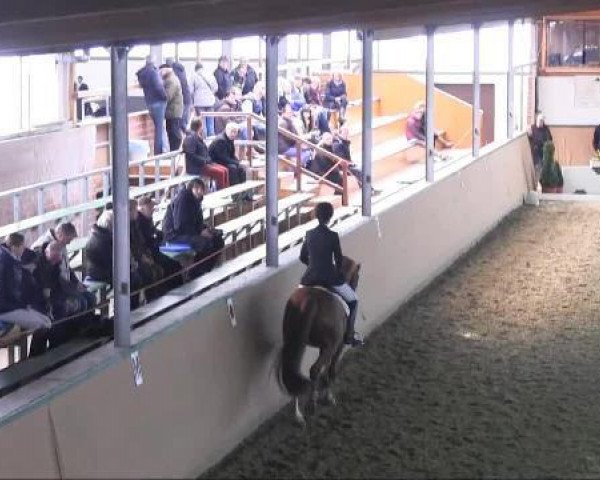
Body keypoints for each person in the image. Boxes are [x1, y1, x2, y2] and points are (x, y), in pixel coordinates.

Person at [300, 202, 363, 347]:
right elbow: (340, 261)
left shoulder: (309, 234)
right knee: (354, 301)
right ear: (330, 217)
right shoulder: (333, 236)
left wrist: (313, 266)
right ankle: (349, 335)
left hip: (309, 278)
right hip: (329, 278)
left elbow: (302, 257)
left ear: (316, 215)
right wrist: (332, 268)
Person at [29, 241, 96, 357]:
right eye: (54, 259)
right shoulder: (38, 264)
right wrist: (48, 297)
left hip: (53, 295)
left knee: (80, 301)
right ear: (47, 253)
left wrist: (75, 288)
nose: (56, 262)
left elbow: (60, 281)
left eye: (57, 260)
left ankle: (70, 338)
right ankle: (52, 347)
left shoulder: (55, 263)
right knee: (57, 311)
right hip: (37, 299)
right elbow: (39, 286)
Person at [162, 179, 224, 277]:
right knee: (205, 244)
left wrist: (206, 229)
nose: (200, 191)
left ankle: (204, 270)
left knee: (217, 240)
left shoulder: (196, 201)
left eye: (202, 189)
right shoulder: (182, 200)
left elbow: (198, 221)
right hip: (174, 236)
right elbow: (180, 226)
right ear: (192, 188)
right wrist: (199, 232)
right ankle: (195, 273)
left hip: (189, 233)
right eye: (197, 189)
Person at [31, 222, 96, 315]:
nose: (69, 243)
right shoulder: (44, 248)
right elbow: (53, 277)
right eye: (68, 240)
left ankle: (89, 324)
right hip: (54, 290)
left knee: (91, 297)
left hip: (65, 286)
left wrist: (77, 283)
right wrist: (73, 288)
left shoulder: (61, 243)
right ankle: (77, 326)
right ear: (61, 235)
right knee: (81, 302)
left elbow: (67, 267)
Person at [84, 210, 145, 308]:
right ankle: (126, 307)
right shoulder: (100, 240)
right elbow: (111, 261)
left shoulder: (105, 236)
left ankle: (132, 306)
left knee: (135, 276)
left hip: (108, 268)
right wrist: (126, 269)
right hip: (100, 272)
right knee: (128, 280)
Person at [0, 233, 51, 333]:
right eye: (23, 246)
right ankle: (34, 348)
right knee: (43, 324)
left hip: (13, 305)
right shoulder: (6, 263)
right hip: (5, 309)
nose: (24, 249)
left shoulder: (12, 259)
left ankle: (38, 348)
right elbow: (8, 293)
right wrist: (22, 306)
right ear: (15, 247)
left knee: (46, 320)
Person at [136, 196, 183, 294]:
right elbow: (145, 241)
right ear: (141, 208)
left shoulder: (147, 219)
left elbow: (154, 232)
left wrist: (161, 236)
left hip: (155, 249)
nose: (152, 210)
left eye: (152, 207)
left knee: (175, 262)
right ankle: (171, 292)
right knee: (170, 264)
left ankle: (176, 291)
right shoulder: (139, 222)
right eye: (150, 208)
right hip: (149, 253)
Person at [183, 118, 230, 189]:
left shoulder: (197, 136)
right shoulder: (191, 138)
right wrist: (204, 161)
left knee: (225, 170)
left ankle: (226, 191)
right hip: (197, 167)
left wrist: (208, 160)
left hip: (205, 163)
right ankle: (221, 193)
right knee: (221, 173)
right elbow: (190, 155)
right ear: (200, 126)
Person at [136, 56, 168, 154]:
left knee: (159, 127)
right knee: (159, 128)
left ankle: (162, 150)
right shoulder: (153, 73)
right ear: (153, 63)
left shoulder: (142, 74)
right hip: (158, 103)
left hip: (149, 103)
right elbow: (158, 87)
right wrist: (165, 96)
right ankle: (158, 152)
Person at [208, 122, 248, 187]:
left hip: (225, 160)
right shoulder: (220, 140)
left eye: (235, 132)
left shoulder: (230, 138)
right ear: (227, 130)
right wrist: (236, 163)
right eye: (232, 131)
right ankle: (235, 190)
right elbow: (223, 157)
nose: (234, 134)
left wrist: (238, 162)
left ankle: (243, 190)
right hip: (216, 161)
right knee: (233, 168)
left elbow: (232, 154)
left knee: (241, 168)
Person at [278, 104, 312, 168]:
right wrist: (300, 143)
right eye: (289, 112)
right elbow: (289, 137)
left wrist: (300, 142)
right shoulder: (283, 123)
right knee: (307, 152)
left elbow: (295, 135)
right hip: (284, 148)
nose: (291, 114)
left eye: (291, 112)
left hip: (288, 146)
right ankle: (294, 166)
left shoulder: (289, 121)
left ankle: (295, 166)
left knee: (307, 149)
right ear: (283, 113)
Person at [191, 62, 218, 138]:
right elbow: (216, 87)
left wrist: (193, 98)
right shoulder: (210, 75)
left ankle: (204, 140)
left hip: (199, 103)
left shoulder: (194, 76)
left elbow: (190, 90)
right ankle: (211, 140)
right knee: (210, 122)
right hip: (210, 102)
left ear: (195, 69)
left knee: (202, 123)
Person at [165, 58, 192, 133]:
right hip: (187, 98)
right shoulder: (181, 70)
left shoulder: (174, 73)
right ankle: (187, 139)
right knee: (185, 123)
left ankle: (183, 141)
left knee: (180, 125)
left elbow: (171, 92)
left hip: (181, 100)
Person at [161, 67, 184, 151]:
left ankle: (174, 151)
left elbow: (167, 96)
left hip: (173, 111)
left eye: (162, 70)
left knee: (173, 132)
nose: (160, 72)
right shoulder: (172, 78)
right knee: (172, 131)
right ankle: (174, 150)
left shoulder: (171, 81)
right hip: (174, 110)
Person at [528, 113, 553, 186]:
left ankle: (544, 185)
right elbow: (530, 137)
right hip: (536, 152)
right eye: (540, 120)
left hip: (544, 152)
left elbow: (550, 139)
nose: (541, 122)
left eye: (542, 121)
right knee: (538, 168)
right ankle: (536, 185)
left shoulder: (546, 128)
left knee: (545, 169)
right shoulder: (532, 128)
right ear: (537, 120)